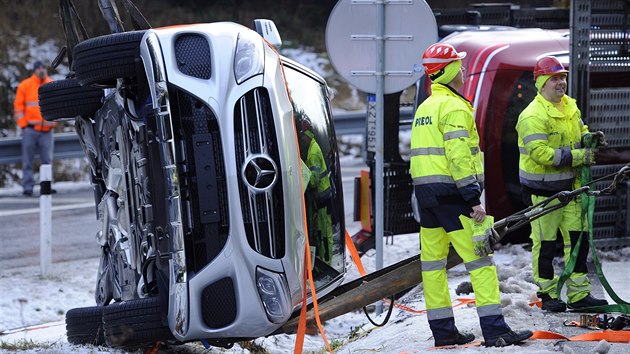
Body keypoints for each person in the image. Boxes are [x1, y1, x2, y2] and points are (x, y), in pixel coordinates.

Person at [411, 43, 532, 347]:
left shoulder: (425, 107)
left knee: (433, 267)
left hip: (427, 199)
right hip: (455, 197)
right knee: (481, 262)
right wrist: (472, 198)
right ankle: (495, 331)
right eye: (459, 65)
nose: (464, 70)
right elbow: (458, 157)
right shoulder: (454, 108)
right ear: (449, 70)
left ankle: (443, 332)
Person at [516, 56, 608, 312]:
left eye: (563, 77)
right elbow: (541, 154)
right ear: (542, 83)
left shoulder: (570, 107)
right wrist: (580, 156)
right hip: (542, 194)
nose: (562, 82)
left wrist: (590, 138)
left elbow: (579, 132)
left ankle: (579, 295)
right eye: (555, 78)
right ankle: (548, 295)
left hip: (571, 190)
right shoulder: (532, 116)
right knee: (545, 245)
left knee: (579, 242)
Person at [14, 60, 57, 196]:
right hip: (30, 130)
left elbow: (57, 105)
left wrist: (53, 122)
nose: (42, 70)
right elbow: (18, 108)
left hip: (47, 131)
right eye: (39, 68)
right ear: (34, 70)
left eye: (44, 67)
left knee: (47, 161)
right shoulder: (25, 85)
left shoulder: (52, 84)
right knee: (28, 161)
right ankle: (28, 187)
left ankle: (47, 186)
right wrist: (24, 125)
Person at [298, 117, 334, 266]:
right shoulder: (314, 147)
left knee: (324, 231)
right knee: (322, 230)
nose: (301, 139)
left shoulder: (312, 153)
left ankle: (327, 260)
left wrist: (302, 172)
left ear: (308, 135)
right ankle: (325, 257)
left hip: (322, 197)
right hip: (323, 196)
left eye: (303, 135)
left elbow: (314, 181)